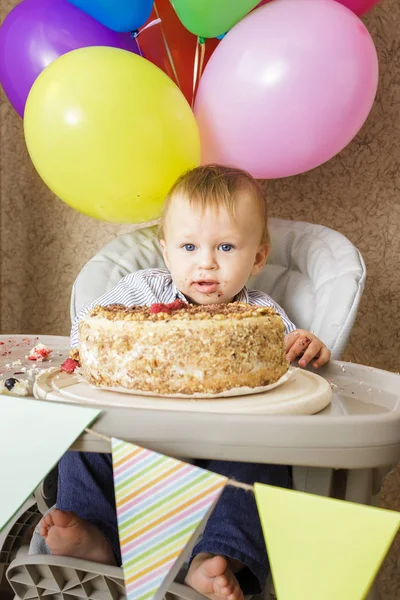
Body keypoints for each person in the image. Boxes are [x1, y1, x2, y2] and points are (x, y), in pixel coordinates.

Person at [39, 165, 330, 600]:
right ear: (166, 251)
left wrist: (307, 347)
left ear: (258, 257)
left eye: (226, 246)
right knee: (84, 440)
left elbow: (291, 367)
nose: (206, 262)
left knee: (265, 467)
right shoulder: (139, 293)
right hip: (137, 446)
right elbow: (87, 334)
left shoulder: (261, 315)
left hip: (223, 454)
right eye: (189, 246)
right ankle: (92, 536)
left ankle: (215, 559)